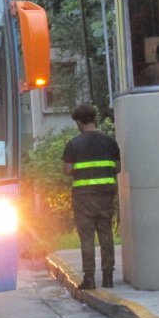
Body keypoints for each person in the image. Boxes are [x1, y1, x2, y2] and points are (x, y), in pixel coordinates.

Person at [62, 104, 120, 290]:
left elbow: (67, 170)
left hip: (83, 198)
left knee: (86, 238)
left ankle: (89, 278)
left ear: (79, 121)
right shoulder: (110, 142)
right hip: (105, 195)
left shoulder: (74, 144)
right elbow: (117, 168)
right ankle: (108, 277)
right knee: (106, 234)